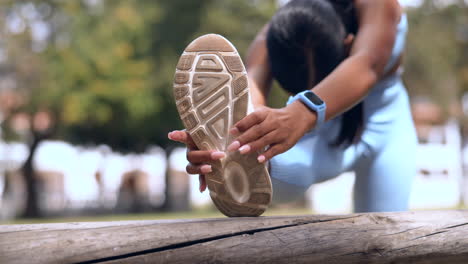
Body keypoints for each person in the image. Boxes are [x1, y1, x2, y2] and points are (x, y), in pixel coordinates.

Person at [169, 0, 417, 213]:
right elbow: (251, 85)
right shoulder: (279, 29)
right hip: (319, 134)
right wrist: (236, 137)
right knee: (277, 165)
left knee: (386, 236)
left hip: (387, 129)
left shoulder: (377, 5)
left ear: (348, 43)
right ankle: (253, 163)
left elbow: (367, 63)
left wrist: (301, 111)